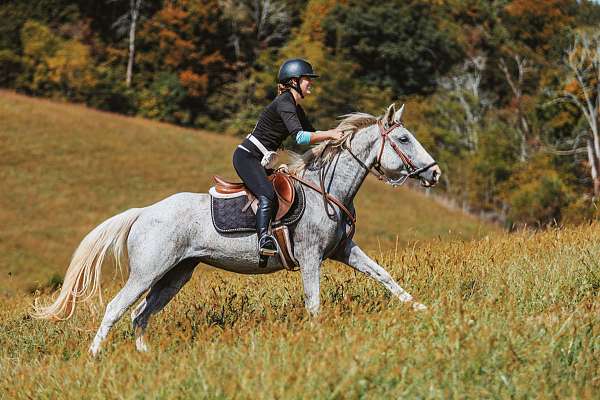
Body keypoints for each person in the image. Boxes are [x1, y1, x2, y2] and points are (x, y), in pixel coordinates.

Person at [232, 58, 343, 262]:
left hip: (260, 160)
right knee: (267, 194)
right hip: (247, 157)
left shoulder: (294, 107)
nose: (311, 83)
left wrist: (338, 139)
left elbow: (312, 134)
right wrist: (330, 134)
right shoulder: (284, 103)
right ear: (294, 82)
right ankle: (264, 240)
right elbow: (300, 138)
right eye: (307, 79)